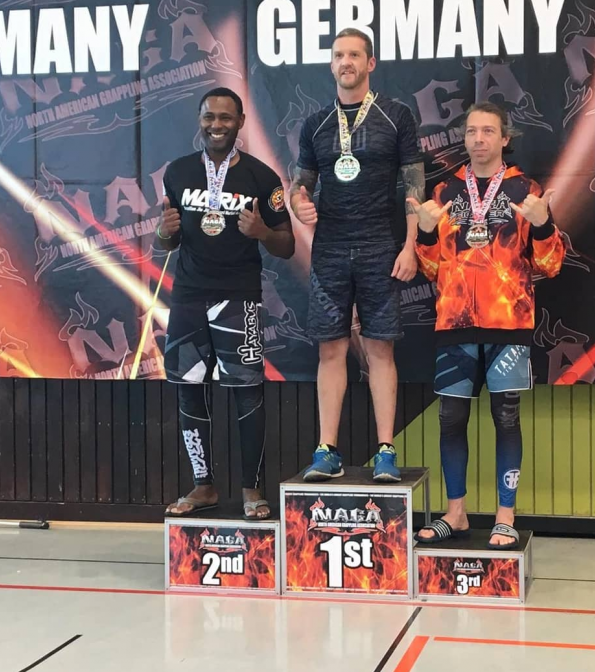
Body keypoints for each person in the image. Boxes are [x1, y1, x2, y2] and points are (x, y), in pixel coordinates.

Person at [409, 102, 565, 548]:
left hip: (508, 324)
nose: (478, 139)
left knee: (506, 417)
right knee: (450, 418)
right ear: (463, 138)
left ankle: (505, 516)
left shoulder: (525, 190)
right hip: (454, 324)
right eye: (472, 131)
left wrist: (543, 225)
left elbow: (551, 265)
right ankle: (455, 513)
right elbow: (432, 269)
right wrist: (424, 233)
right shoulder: (444, 192)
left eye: (488, 131)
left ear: (505, 138)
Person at [290, 28, 425, 483]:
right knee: (331, 349)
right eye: (338, 55)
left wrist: (410, 245)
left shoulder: (396, 116)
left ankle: (386, 450)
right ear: (331, 64)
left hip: (380, 246)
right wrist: (298, 203)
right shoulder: (316, 123)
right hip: (329, 249)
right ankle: (327, 450)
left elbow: (414, 185)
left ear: (370, 63)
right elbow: (301, 184)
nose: (345, 62)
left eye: (354, 54)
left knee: (379, 348)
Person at [160, 87, 294, 519]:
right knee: (188, 391)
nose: (216, 125)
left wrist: (262, 233)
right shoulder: (178, 172)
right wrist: (163, 233)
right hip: (188, 297)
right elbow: (167, 241)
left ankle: (253, 490)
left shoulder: (262, 178)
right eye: (209, 117)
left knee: (247, 393)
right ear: (199, 120)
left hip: (239, 297)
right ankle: (203, 486)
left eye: (225, 117)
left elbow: (287, 245)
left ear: (240, 122)